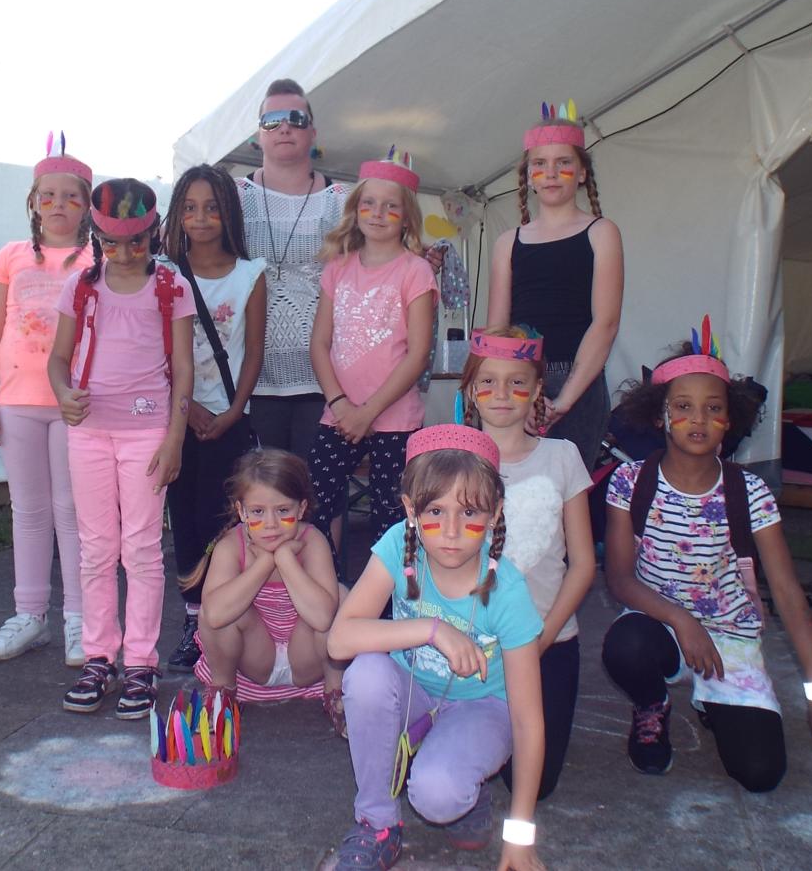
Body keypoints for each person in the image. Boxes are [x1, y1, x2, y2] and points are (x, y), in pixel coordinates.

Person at [600, 322, 812, 790]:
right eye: (683, 407)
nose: (698, 419)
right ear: (660, 416)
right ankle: (652, 704)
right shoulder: (630, 482)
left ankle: (716, 701)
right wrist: (683, 620)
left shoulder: (751, 492)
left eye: (713, 408)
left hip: (729, 636)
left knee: (760, 774)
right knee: (626, 645)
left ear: (729, 419)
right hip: (660, 624)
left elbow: (787, 594)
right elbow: (619, 579)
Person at [327, 425, 547, 871]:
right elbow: (339, 640)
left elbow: (528, 722)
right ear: (410, 509)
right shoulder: (398, 546)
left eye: (469, 512)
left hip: (482, 707)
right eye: (435, 511)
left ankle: (471, 785)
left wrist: (520, 836)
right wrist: (432, 629)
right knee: (365, 675)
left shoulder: (507, 591)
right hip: (413, 689)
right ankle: (377, 823)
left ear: (495, 512)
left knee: (437, 795)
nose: (450, 531)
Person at [47, 178, 194, 719]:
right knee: (95, 548)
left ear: (154, 233)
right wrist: (63, 394)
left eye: (136, 241)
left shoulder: (171, 287)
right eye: (111, 242)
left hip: (148, 433)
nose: (125, 253)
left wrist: (175, 438)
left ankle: (140, 663)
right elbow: (58, 359)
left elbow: (184, 370)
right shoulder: (80, 286)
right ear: (95, 236)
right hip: (88, 432)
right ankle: (99, 657)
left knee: (141, 549)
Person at [0, 134, 91, 666]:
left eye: (71, 196)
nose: (59, 205)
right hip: (17, 400)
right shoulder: (10, 257)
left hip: (74, 404)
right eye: (48, 195)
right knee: (29, 510)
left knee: (73, 510)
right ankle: (30, 615)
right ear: (34, 202)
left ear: (87, 206)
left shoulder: (98, 258)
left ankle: (81, 618)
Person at [460, 326, 594, 799]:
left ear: (538, 390)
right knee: (450, 769)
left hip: (547, 641)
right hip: (469, 643)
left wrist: (541, 639)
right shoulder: (449, 460)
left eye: (517, 382)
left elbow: (583, 564)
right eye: (488, 382)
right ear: (470, 391)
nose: (502, 394)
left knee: (532, 785)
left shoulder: (563, 457)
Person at [160, 164, 268, 675]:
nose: (200, 218)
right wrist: (190, 410)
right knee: (185, 519)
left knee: (225, 521)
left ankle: (224, 618)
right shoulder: (164, 272)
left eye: (211, 207)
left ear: (229, 212)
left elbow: (254, 352)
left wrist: (232, 411)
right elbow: (156, 350)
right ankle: (192, 621)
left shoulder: (250, 274)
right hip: (178, 420)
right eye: (189, 208)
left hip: (231, 420)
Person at [309, 149, 437, 560]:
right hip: (339, 416)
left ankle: (391, 596)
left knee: (393, 520)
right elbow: (319, 343)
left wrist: (369, 412)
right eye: (369, 203)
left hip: (396, 421)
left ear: (407, 217)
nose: (378, 214)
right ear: (355, 209)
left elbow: (417, 354)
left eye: (390, 206)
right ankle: (325, 587)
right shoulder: (338, 267)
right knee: (314, 508)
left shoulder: (415, 271)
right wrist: (341, 405)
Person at [487, 103, 624, 482]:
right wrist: (510, 389)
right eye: (539, 164)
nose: (550, 173)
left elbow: (606, 323)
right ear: (528, 176)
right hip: (517, 379)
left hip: (578, 380)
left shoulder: (601, 232)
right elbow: (497, 330)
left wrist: (563, 401)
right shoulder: (507, 242)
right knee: (512, 489)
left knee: (567, 494)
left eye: (563, 162)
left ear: (582, 173)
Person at [187, 448, 347, 736]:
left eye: (283, 510)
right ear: (242, 512)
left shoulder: (313, 541)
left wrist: (286, 561)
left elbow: (323, 618)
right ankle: (223, 693)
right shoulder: (231, 546)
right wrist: (265, 563)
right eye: (258, 512)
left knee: (341, 596)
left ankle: (335, 694)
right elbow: (215, 615)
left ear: (301, 509)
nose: (271, 524)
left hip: (307, 663)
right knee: (219, 606)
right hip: (254, 662)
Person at [236, 79, 348, 461]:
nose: (284, 128)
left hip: (325, 377)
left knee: (313, 488)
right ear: (258, 135)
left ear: (313, 132)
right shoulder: (232, 196)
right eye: (273, 120)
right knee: (260, 487)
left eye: (296, 119)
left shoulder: (343, 201)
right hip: (248, 378)